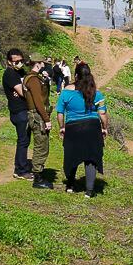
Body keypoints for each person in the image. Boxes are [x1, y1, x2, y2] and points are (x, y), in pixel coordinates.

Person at [56, 63, 108, 197]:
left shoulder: (66, 92)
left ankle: (70, 185)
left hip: (73, 128)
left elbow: (60, 112)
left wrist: (62, 127)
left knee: (72, 156)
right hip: (92, 128)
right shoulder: (97, 93)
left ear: (76, 75)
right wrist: (104, 128)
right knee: (91, 158)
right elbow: (102, 114)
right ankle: (89, 191)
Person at [22, 55, 54, 189]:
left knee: (41, 144)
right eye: (42, 63)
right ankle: (38, 177)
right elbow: (38, 101)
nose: (44, 65)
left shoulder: (32, 78)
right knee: (41, 145)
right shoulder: (34, 80)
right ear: (38, 64)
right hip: (38, 115)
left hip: (35, 114)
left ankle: (38, 173)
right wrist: (46, 119)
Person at [1, 48, 32, 179]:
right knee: (23, 141)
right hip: (19, 111)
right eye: (16, 61)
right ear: (9, 62)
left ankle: (19, 167)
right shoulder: (10, 74)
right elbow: (23, 92)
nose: (19, 63)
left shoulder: (21, 72)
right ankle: (21, 170)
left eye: (21, 60)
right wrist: (27, 91)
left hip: (24, 110)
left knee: (24, 140)